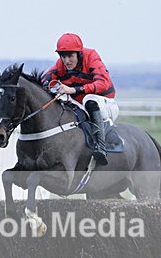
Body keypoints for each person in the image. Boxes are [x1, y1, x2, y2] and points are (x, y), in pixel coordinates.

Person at [41, 33, 118, 166]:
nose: (67, 61)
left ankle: (101, 147)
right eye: (63, 56)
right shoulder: (61, 64)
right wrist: (48, 85)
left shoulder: (91, 57)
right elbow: (45, 79)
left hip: (105, 103)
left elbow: (103, 83)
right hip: (81, 105)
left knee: (89, 99)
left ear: (79, 54)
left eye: (70, 56)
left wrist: (74, 90)